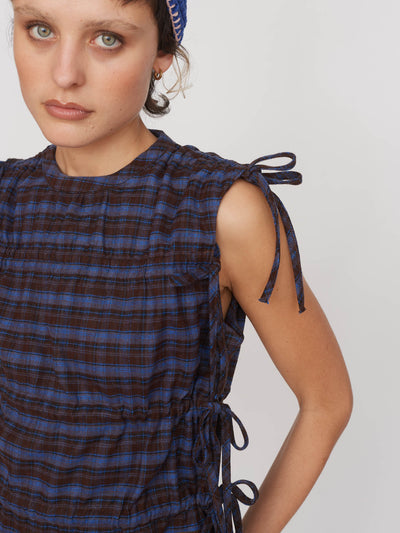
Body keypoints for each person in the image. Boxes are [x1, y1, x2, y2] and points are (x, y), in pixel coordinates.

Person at [0, 0, 353, 531]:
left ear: (163, 53)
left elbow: (326, 402)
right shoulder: (7, 199)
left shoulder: (219, 210)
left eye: (107, 38)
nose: (65, 74)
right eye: (41, 29)